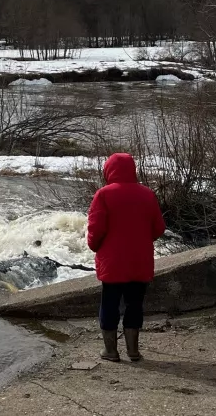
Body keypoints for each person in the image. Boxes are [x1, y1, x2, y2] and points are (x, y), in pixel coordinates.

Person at [86, 152, 165, 362]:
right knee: (135, 304)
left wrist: (94, 246)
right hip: (140, 261)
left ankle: (111, 351)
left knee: (110, 304)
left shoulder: (103, 195)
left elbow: (96, 229)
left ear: (108, 171)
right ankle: (133, 350)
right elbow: (158, 227)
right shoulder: (147, 194)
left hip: (113, 263)